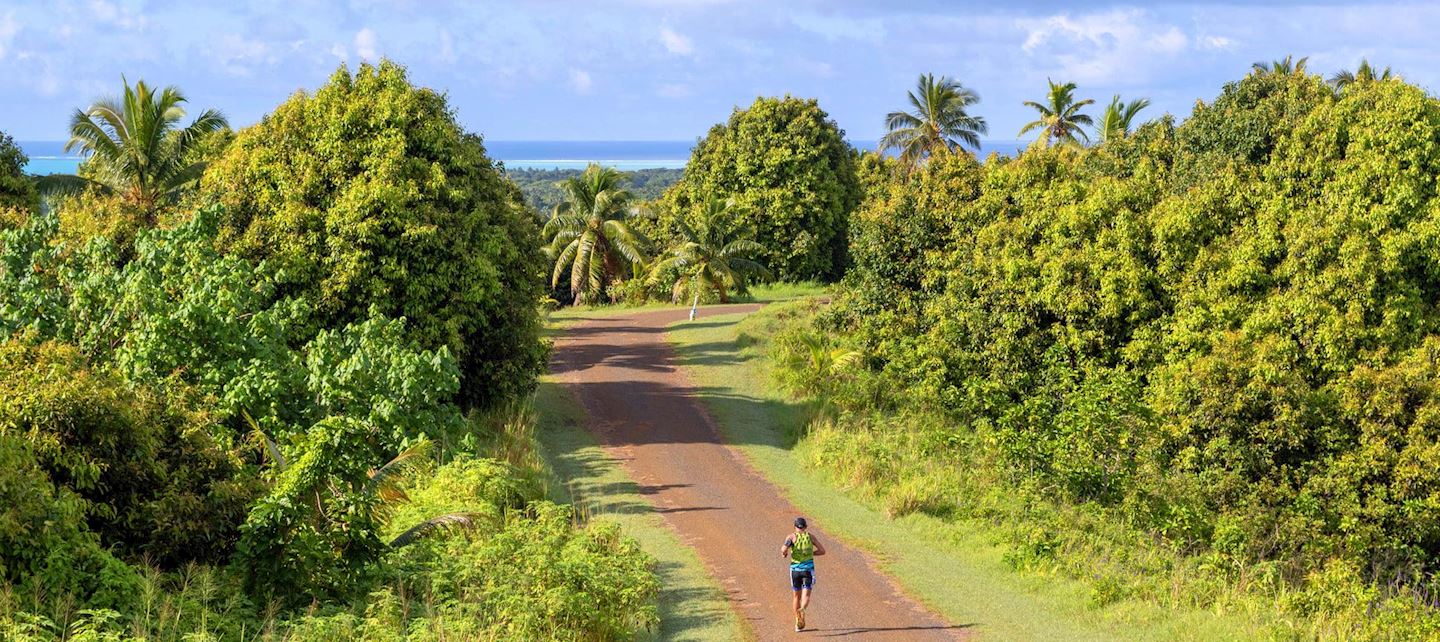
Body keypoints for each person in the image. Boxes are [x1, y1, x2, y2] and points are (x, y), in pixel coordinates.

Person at [780, 516, 826, 631]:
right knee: (806, 595)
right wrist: (811, 554)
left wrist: (785, 554)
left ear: (795, 527)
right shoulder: (811, 537)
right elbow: (822, 551)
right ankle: (803, 609)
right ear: (805, 527)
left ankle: (797, 622)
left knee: (796, 596)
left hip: (795, 571)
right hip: (808, 570)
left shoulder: (791, 537)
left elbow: (783, 549)